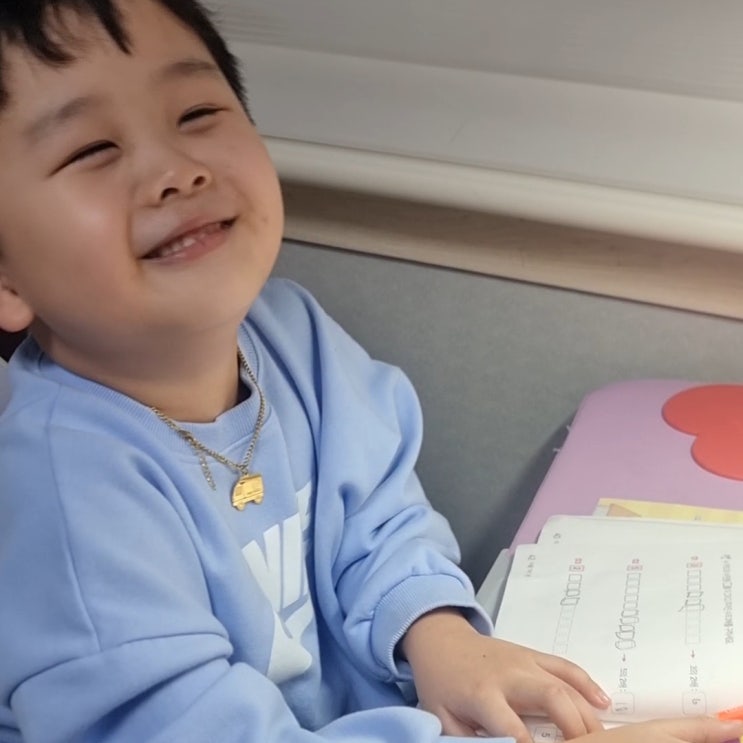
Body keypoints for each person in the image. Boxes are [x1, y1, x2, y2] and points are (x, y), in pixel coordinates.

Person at [0, 2, 740, 743]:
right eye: (92, 149)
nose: (176, 170)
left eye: (196, 113)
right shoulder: (58, 493)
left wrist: (439, 633)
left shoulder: (292, 334)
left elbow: (379, 522)